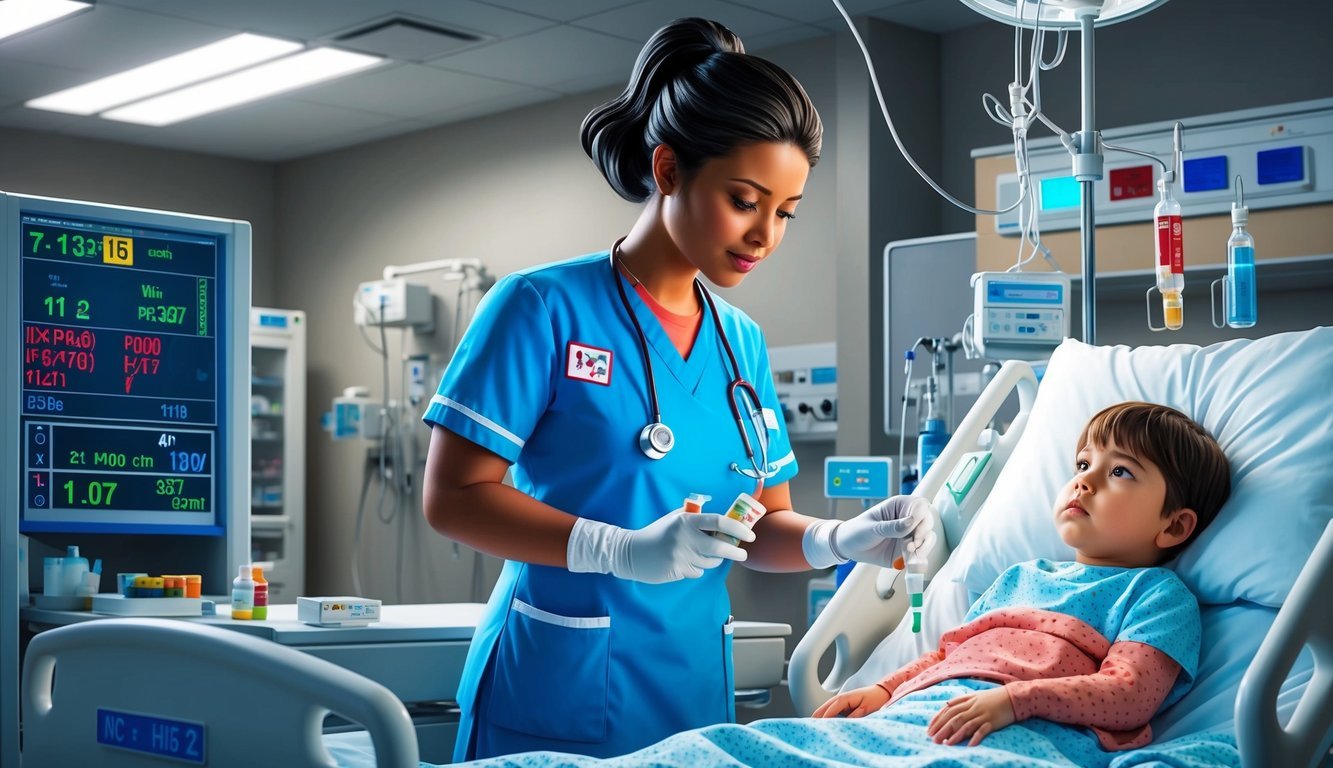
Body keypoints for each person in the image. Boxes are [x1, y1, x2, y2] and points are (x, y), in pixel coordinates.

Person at [420, 17, 930, 762]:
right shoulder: (540, 307)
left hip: (690, 694)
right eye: (744, 199)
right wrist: (617, 550)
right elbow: (452, 498)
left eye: (785, 212)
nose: (765, 235)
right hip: (555, 689)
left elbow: (758, 524)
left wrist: (835, 540)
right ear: (667, 171)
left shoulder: (740, 340)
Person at [813, 401, 1232, 754]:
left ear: (1174, 527)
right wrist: (886, 691)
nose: (1084, 480)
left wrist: (1015, 701)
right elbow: (949, 656)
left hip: (1023, 733)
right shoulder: (1019, 577)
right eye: (1084, 463)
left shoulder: (1155, 595)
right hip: (924, 710)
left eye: (1120, 472)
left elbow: (1128, 695)